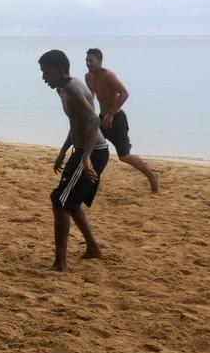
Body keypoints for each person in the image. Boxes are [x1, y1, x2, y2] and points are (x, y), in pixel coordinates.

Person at [40, 49, 109, 272]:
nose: (43, 78)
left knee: (60, 200)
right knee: (69, 200)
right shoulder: (62, 88)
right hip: (82, 150)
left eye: (46, 72)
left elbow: (92, 120)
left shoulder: (72, 88)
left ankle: (60, 263)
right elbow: (76, 123)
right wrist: (63, 150)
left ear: (60, 70)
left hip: (93, 151)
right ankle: (93, 248)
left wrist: (86, 156)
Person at [84, 48, 159, 192]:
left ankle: (151, 175)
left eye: (91, 60)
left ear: (100, 61)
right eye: (86, 61)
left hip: (116, 118)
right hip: (101, 119)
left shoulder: (108, 75)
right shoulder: (88, 77)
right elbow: (92, 95)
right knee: (91, 148)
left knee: (124, 156)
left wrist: (110, 114)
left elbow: (124, 93)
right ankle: (93, 182)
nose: (88, 64)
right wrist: (89, 112)